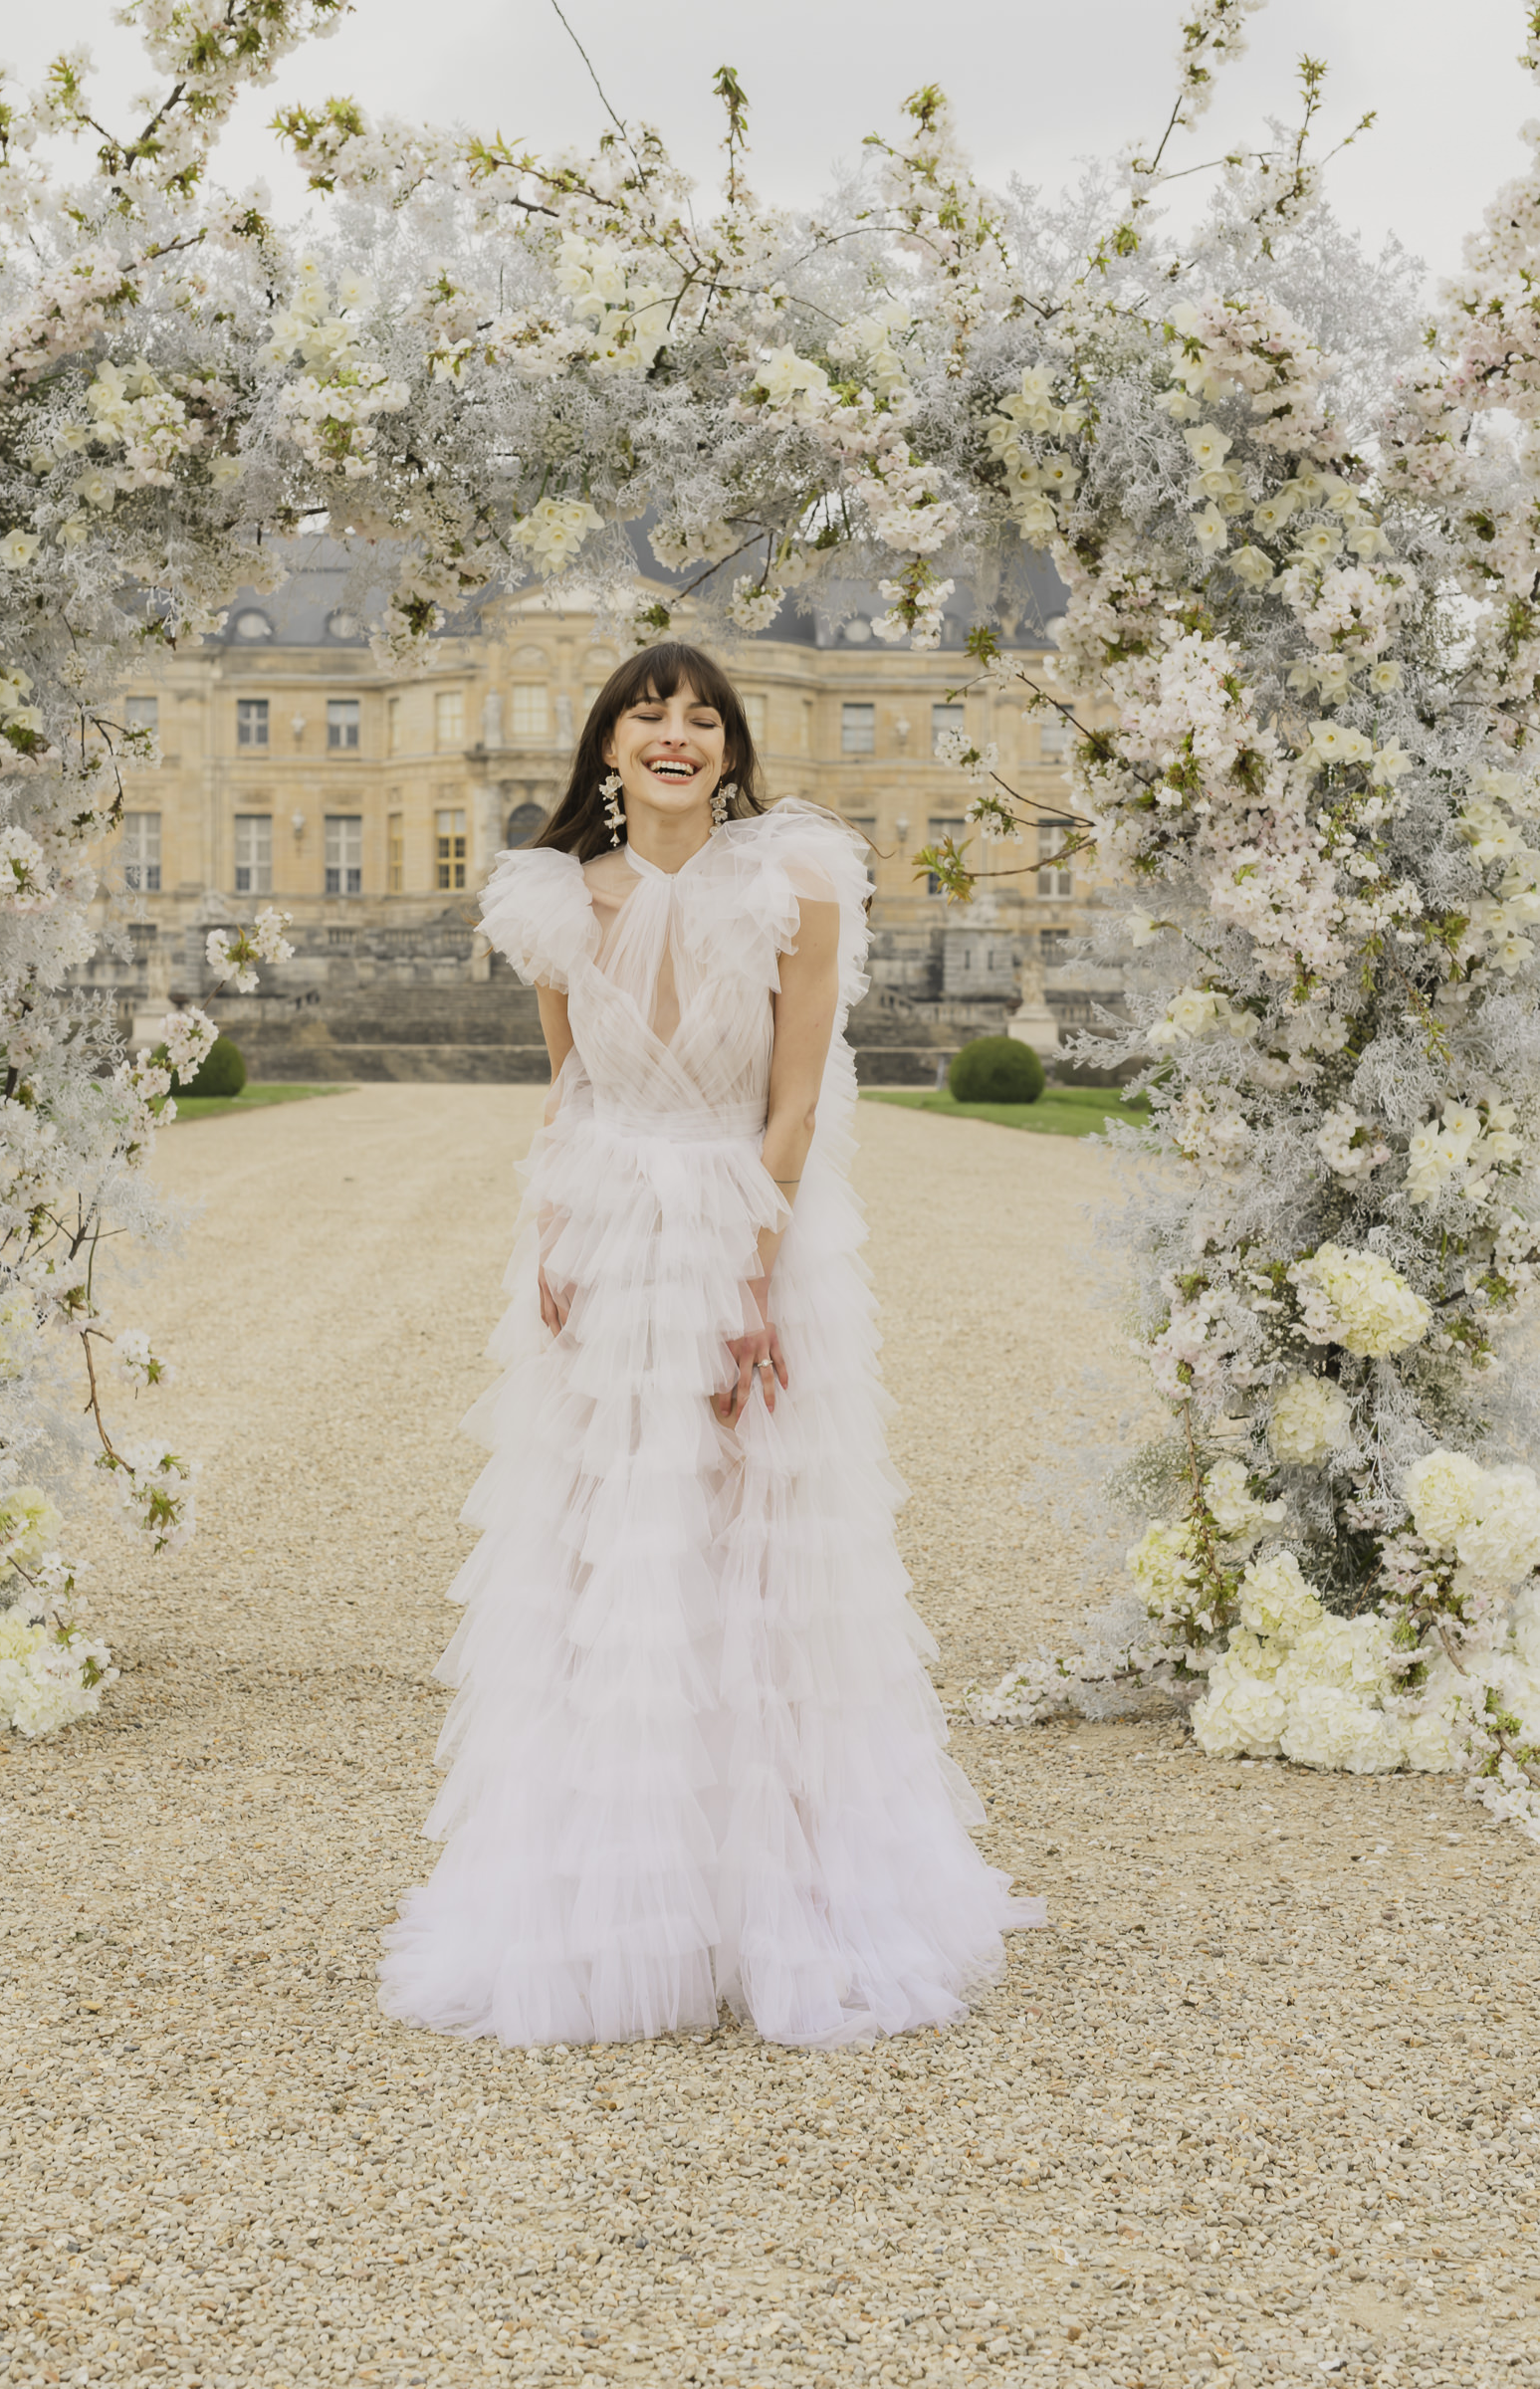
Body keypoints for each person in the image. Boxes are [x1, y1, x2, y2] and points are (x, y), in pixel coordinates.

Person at [378, 642, 1043, 2049]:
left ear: (732, 752)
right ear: (607, 752)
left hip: (747, 1226)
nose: (672, 732)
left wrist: (754, 1279)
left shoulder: (794, 880)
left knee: (758, 1546)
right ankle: (615, 1896)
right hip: (605, 1229)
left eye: (699, 717)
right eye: (644, 712)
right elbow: (567, 1086)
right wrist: (554, 1241)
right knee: (610, 1554)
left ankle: (775, 1894)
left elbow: (795, 1104)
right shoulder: (555, 896)